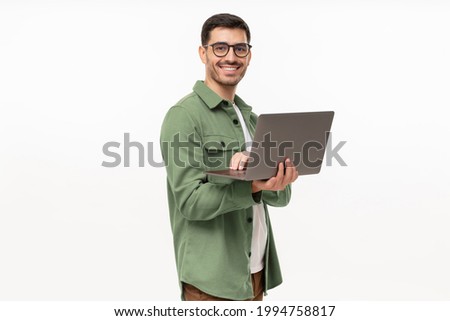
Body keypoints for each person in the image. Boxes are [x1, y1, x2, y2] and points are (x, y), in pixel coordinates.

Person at [160, 13, 298, 301]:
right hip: (211, 283)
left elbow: (280, 198)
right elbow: (190, 202)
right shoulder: (184, 116)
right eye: (220, 48)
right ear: (203, 53)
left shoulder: (252, 120)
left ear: (249, 55)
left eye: (240, 48)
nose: (231, 57)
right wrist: (250, 185)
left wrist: (276, 180)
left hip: (256, 275)